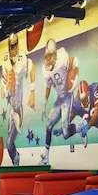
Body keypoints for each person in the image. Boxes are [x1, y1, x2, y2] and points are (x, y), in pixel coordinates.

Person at [39, 38, 79, 166]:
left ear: (55, 56)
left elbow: (74, 61)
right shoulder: (45, 70)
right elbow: (48, 85)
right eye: (46, 57)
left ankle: (80, 127)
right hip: (59, 99)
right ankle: (46, 157)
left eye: (51, 56)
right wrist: (44, 102)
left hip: (67, 97)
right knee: (48, 125)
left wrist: (74, 79)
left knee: (66, 133)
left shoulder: (62, 59)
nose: (48, 59)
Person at [1, 33, 35, 166]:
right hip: (11, 110)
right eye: (12, 46)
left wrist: (32, 91)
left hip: (18, 109)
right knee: (9, 143)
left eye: (15, 46)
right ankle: (15, 159)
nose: (14, 49)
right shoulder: (6, 66)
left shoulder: (22, 60)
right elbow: (2, 93)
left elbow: (31, 67)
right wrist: (7, 84)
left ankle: (16, 159)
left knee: (9, 142)